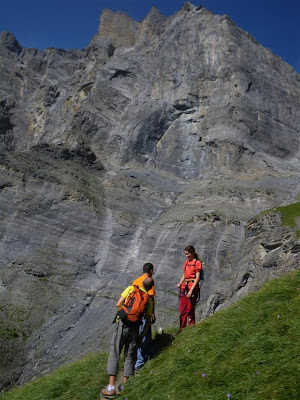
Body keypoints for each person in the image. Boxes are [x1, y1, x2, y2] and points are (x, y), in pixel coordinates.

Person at [101, 277, 154, 398]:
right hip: (135, 330)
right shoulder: (149, 300)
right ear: (150, 288)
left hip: (122, 326)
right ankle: (125, 387)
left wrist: (122, 316)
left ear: (141, 284)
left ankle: (111, 388)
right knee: (130, 356)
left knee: (115, 352)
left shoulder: (131, 289)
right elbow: (148, 321)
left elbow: (118, 304)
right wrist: (141, 338)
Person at [132, 263, 156, 371]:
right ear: (150, 270)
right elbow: (150, 298)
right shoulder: (149, 280)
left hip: (134, 313)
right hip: (145, 312)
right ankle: (140, 362)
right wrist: (152, 313)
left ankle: (149, 351)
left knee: (143, 333)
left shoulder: (136, 281)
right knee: (144, 335)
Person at [177, 245, 202, 329]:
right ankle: (182, 328)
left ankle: (191, 328)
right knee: (182, 309)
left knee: (190, 309)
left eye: (188, 254)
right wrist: (180, 283)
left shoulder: (197, 263)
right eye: (185, 254)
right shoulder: (186, 263)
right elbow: (184, 274)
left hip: (192, 287)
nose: (186, 256)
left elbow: (197, 277)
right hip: (184, 287)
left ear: (192, 253)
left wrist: (191, 290)